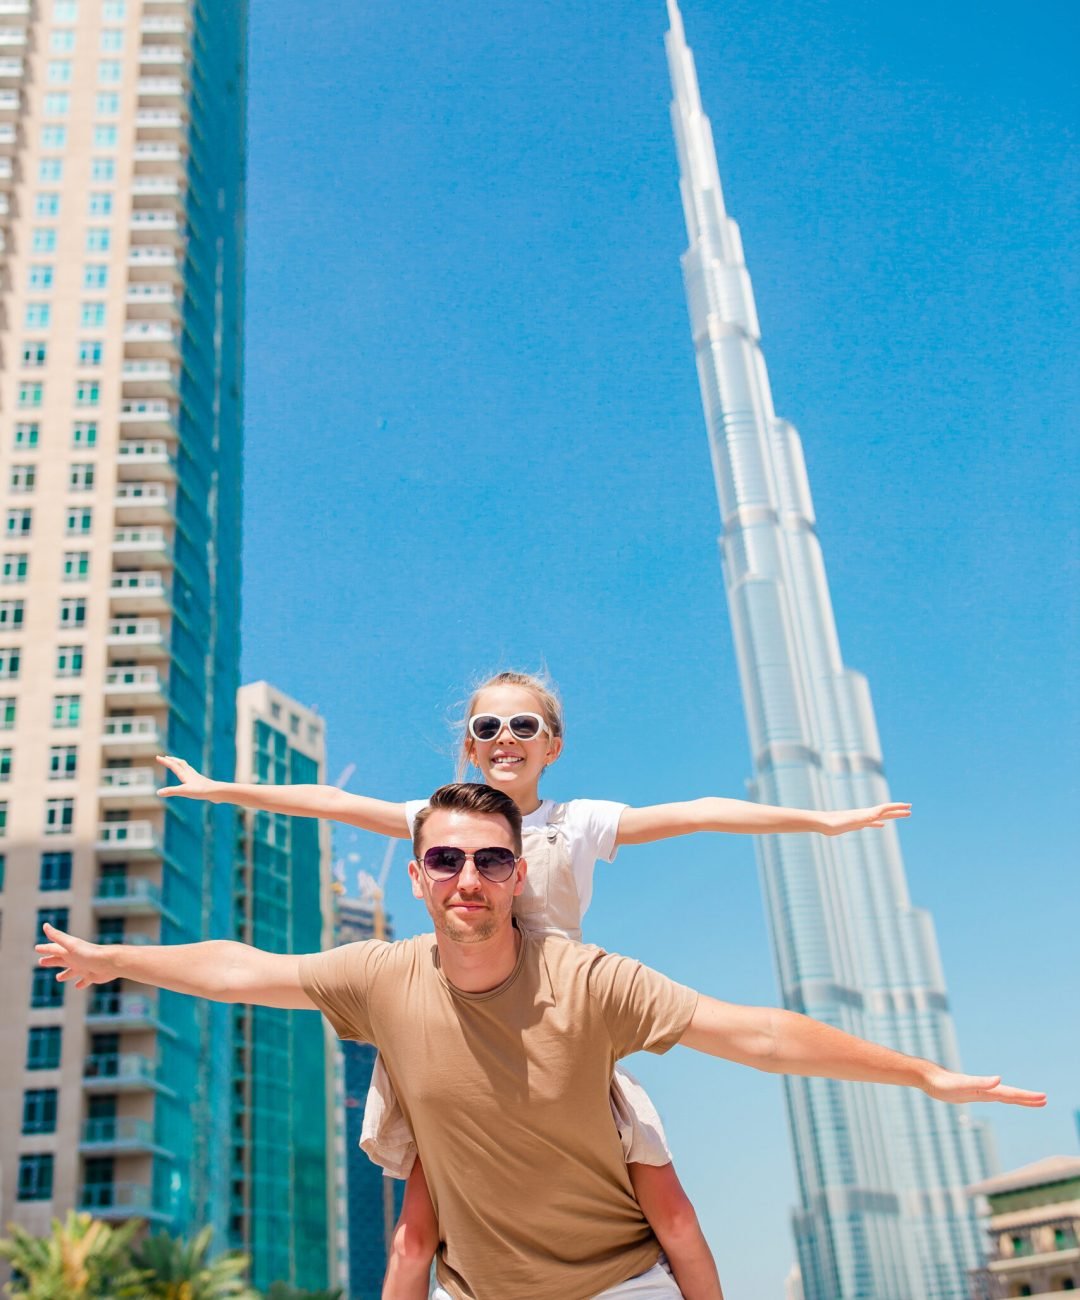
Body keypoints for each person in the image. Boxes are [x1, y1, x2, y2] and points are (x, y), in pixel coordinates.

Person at [37, 782, 1045, 1300]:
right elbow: (240, 967)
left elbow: (759, 1035)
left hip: (621, 1287)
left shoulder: (590, 981)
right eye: (444, 860)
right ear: (416, 878)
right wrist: (119, 958)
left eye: (489, 860)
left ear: (519, 874)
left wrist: (923, 1074)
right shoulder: (380, 977)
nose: (467, 877)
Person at [155, 670, 913, 1299]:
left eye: (524, 725)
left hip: (561, 1038)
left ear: (552, 744)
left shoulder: (577, 822)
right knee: (414, 1235)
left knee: (669, 1209)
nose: (505, 739)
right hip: (457, 1044)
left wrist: (819, 821)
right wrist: (225, 789)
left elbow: (697, 814)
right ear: (468, 746)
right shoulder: (441, 821)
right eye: (486, 727)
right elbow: (332, 803)